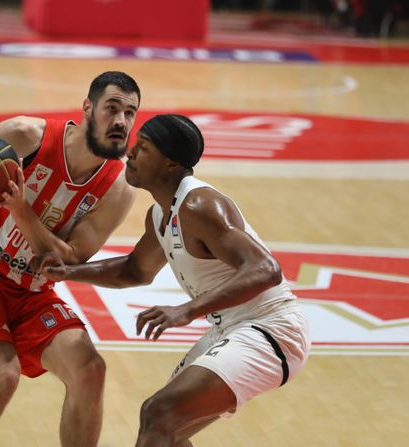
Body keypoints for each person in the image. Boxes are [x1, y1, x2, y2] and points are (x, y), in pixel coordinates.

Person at [37, 114, 311, 447]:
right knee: (168, 431)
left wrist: (186, 310)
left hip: (271, 329)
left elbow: (266, 269)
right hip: (232, 328)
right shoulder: (160, 215)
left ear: (170, 164)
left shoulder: (199, 205)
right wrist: (68, 273)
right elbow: (135, 270)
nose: (131, 153)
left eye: (144, 148)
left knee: (160, 412)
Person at [0, 71, 140, 446]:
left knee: (89, 370)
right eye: (112, 108)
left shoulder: (119, 186)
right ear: (87, 108)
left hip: (32, 292)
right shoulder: (24, 135)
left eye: (130, 113)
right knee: (2, 376)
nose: (121, 121)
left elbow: (69, 261)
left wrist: (23, 214)